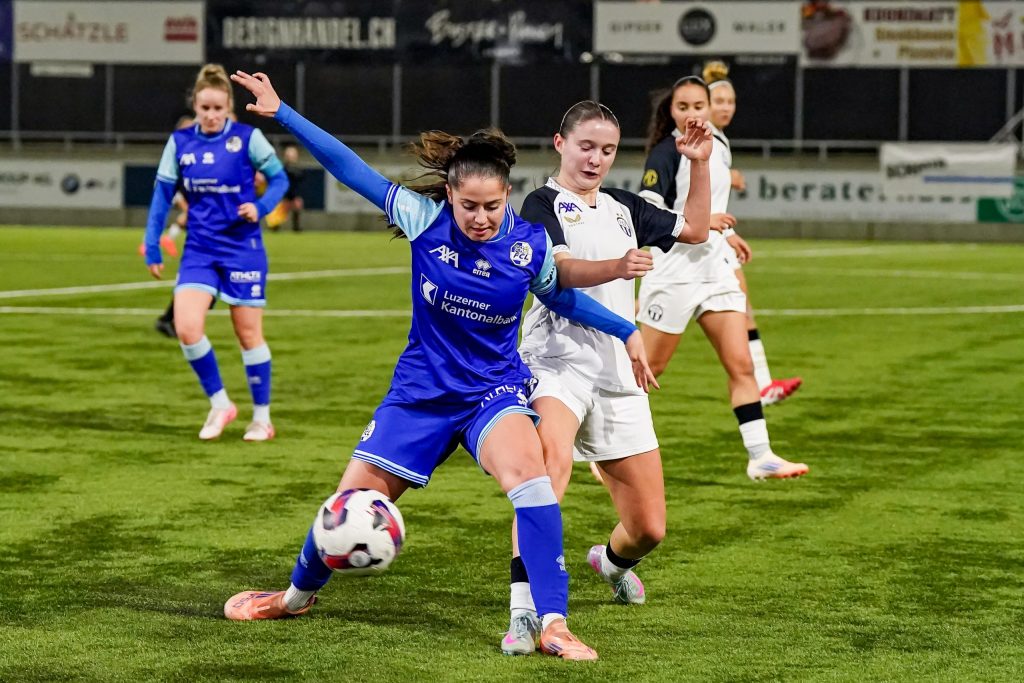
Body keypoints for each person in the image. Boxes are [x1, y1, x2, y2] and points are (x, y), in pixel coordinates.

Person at [222, 70, 662, 662]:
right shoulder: (422, 220)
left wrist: (626, 329)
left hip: (492, 393)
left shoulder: (528, 243)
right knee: (346, 506)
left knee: (533, 484)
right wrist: (283, 113)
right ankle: (294, 598)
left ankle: (553, 624)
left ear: (507, 194)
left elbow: (561, 299)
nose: (481, 218)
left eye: (492, 206)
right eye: (469, 206)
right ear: (449, 195)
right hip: (421, 394)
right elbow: (350, 168)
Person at [499, 101, 712, 655]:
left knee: (649, 528)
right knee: (546, 475)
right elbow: (559, 275)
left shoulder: (625, 207)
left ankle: (612, 563)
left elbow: (694, 229)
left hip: (618, 371)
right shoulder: (541, 204)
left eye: (608, 150)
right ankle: (525, 613)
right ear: (561, 144)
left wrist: (699, 163)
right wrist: (619, 267)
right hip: (556, 360)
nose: (596, 158)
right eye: (586, 146)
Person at [636, 75, 809, 481]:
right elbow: (647, 210)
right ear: (672, 112)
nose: (692, 114)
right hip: (673, 273)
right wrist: (701, 221)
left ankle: (761, 456)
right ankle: (598, 444)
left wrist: (726, 233)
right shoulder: (666, 152)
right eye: (683, 107)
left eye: (699, 106)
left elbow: (714, 202)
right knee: (647, 369)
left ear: (710, 109)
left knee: (741, 365)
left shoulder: (719, 144)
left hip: (715, 270)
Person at [142, 64, 289, 442]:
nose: (210, 115)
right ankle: (221, 404)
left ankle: (262, 418)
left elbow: (280, 179)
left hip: (243, 248)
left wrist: (261, 206)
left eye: (218, 109)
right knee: (186, 328)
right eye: (204, 108)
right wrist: (152, 243)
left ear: (228, 108)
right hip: (199, 249)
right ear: (195, 106)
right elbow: (162, 195)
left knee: (248, 334)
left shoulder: (248, 138)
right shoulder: (180, 143)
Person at [703, 61, 802, 405]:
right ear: (705, 104)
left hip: (715, 237)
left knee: (741, 301)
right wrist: (728, 181)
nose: (726, 107)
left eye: (731, 102)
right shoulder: (703, 139)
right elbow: (697, 189)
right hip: (698, 241)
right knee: (653, 318)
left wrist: (727, 230)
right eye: (719, 101)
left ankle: (762, 383)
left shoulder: (719, 139)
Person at [265, 142, 306, 232]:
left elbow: (300, 178)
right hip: (284, 193)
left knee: (297, 205)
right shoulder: (283, 168)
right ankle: (275, 225)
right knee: (281, 209)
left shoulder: (297, 170)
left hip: (293, 193)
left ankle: (296, 227)